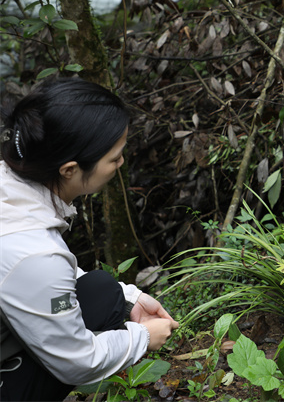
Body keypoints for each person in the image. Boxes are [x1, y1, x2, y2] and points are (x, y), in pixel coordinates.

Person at [0, 79, 178, 401]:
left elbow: (31, 278)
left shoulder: (10, 188)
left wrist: (129, 297)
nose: (121, 164)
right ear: (69, 169)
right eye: (115, 158)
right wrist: (141, 338)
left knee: (103, 292)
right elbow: (78, 363)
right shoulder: (32, 252)